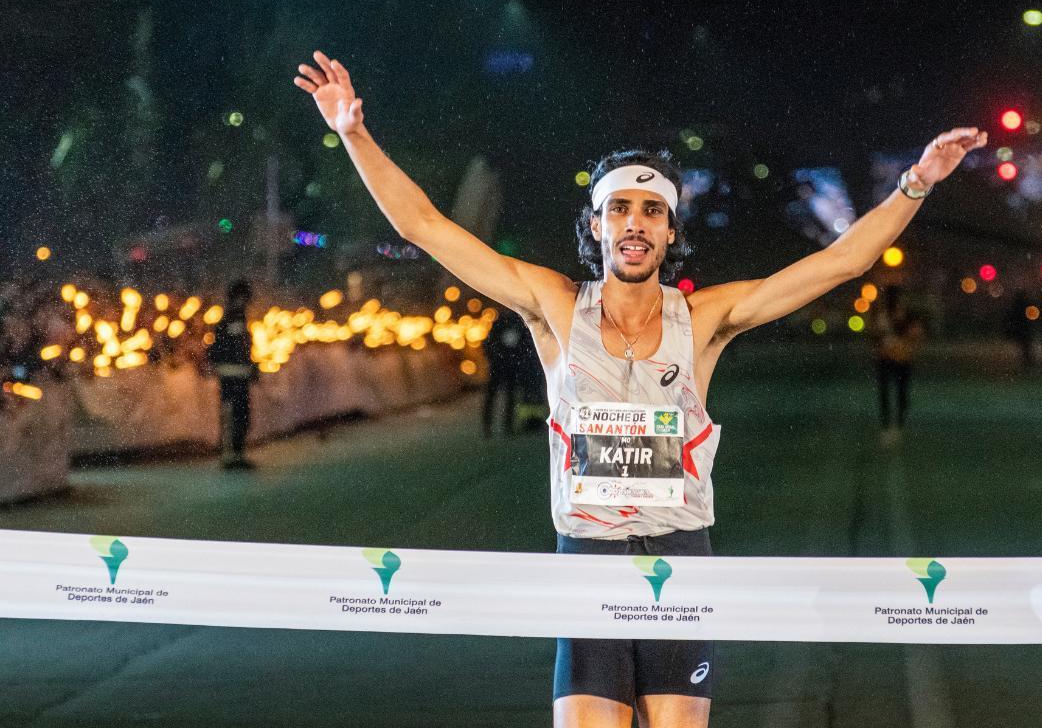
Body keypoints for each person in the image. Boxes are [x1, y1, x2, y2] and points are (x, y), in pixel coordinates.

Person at [294, 49, 987, 728]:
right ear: (596, 226)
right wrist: (353, 134)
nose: (634, 222)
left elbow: (842, 262)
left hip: (681, 555)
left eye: (651, 211)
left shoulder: (704, 319)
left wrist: (919, 179)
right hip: (588, 559)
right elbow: (426, 228)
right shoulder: (555, 306)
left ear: (669, 231)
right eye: (619, 209)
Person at [207, 279, 257, 470]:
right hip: (232, 377)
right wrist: (249, 366)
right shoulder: (233, 318)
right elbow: (236, 348)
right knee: (235, 415)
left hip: (235, 376)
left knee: (238, 415)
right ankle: (231, 456)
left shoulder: (233, 317)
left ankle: (235, 454)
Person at [870, 286, 924, 447]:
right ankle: (892, 426)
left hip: (897, 358)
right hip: (891, 358)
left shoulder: (904, 316)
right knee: (891, 393)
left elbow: (915, 335)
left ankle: (894, 426)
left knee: (896, 393)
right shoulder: (885, 316)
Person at [481, 308, 525, 437]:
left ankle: (501, 426)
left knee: (505, 396)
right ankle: (493, 426)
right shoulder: (508, 323)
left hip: (504, 365)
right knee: (499, 396)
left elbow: (487, 344)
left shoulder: (509, 323)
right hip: (502, 365)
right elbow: (488, 344)